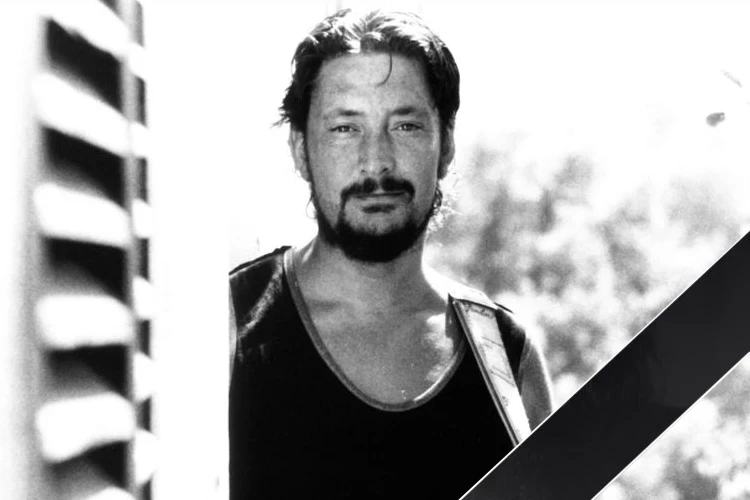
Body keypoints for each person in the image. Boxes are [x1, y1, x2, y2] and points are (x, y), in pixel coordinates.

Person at [229, 9, 553, 499]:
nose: (376, 161)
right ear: (300, 150)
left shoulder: (505, 358)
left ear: (446, 145)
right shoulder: (230, 323)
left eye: (405, 126)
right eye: (345, 128)